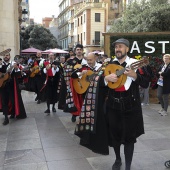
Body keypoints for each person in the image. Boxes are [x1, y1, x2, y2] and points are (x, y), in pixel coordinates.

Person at [103, 38, 150, 170]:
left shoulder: (136, 64)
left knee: (129, 138)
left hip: (130, 107)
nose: (118, 49)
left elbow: (146, 83)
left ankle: (128, 166)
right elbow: (100, 82)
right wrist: (106, 78)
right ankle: (118, 159)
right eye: (116, 47)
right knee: (115, 136)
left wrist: (135, 76)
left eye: (121, 46)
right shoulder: (110, 65)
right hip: (113, 106)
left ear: (127, 49)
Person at [0, 50, 27, 125]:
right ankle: (6, 118)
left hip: (11, 85)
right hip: (3, 86)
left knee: (13, 100)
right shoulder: (1, 64)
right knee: (4, 101)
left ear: (10, 56)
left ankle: (13, 113)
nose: (6, 56)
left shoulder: (13, 64)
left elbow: (18, 74)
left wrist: (15, 68)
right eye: (5, 55)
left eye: (7, 55)